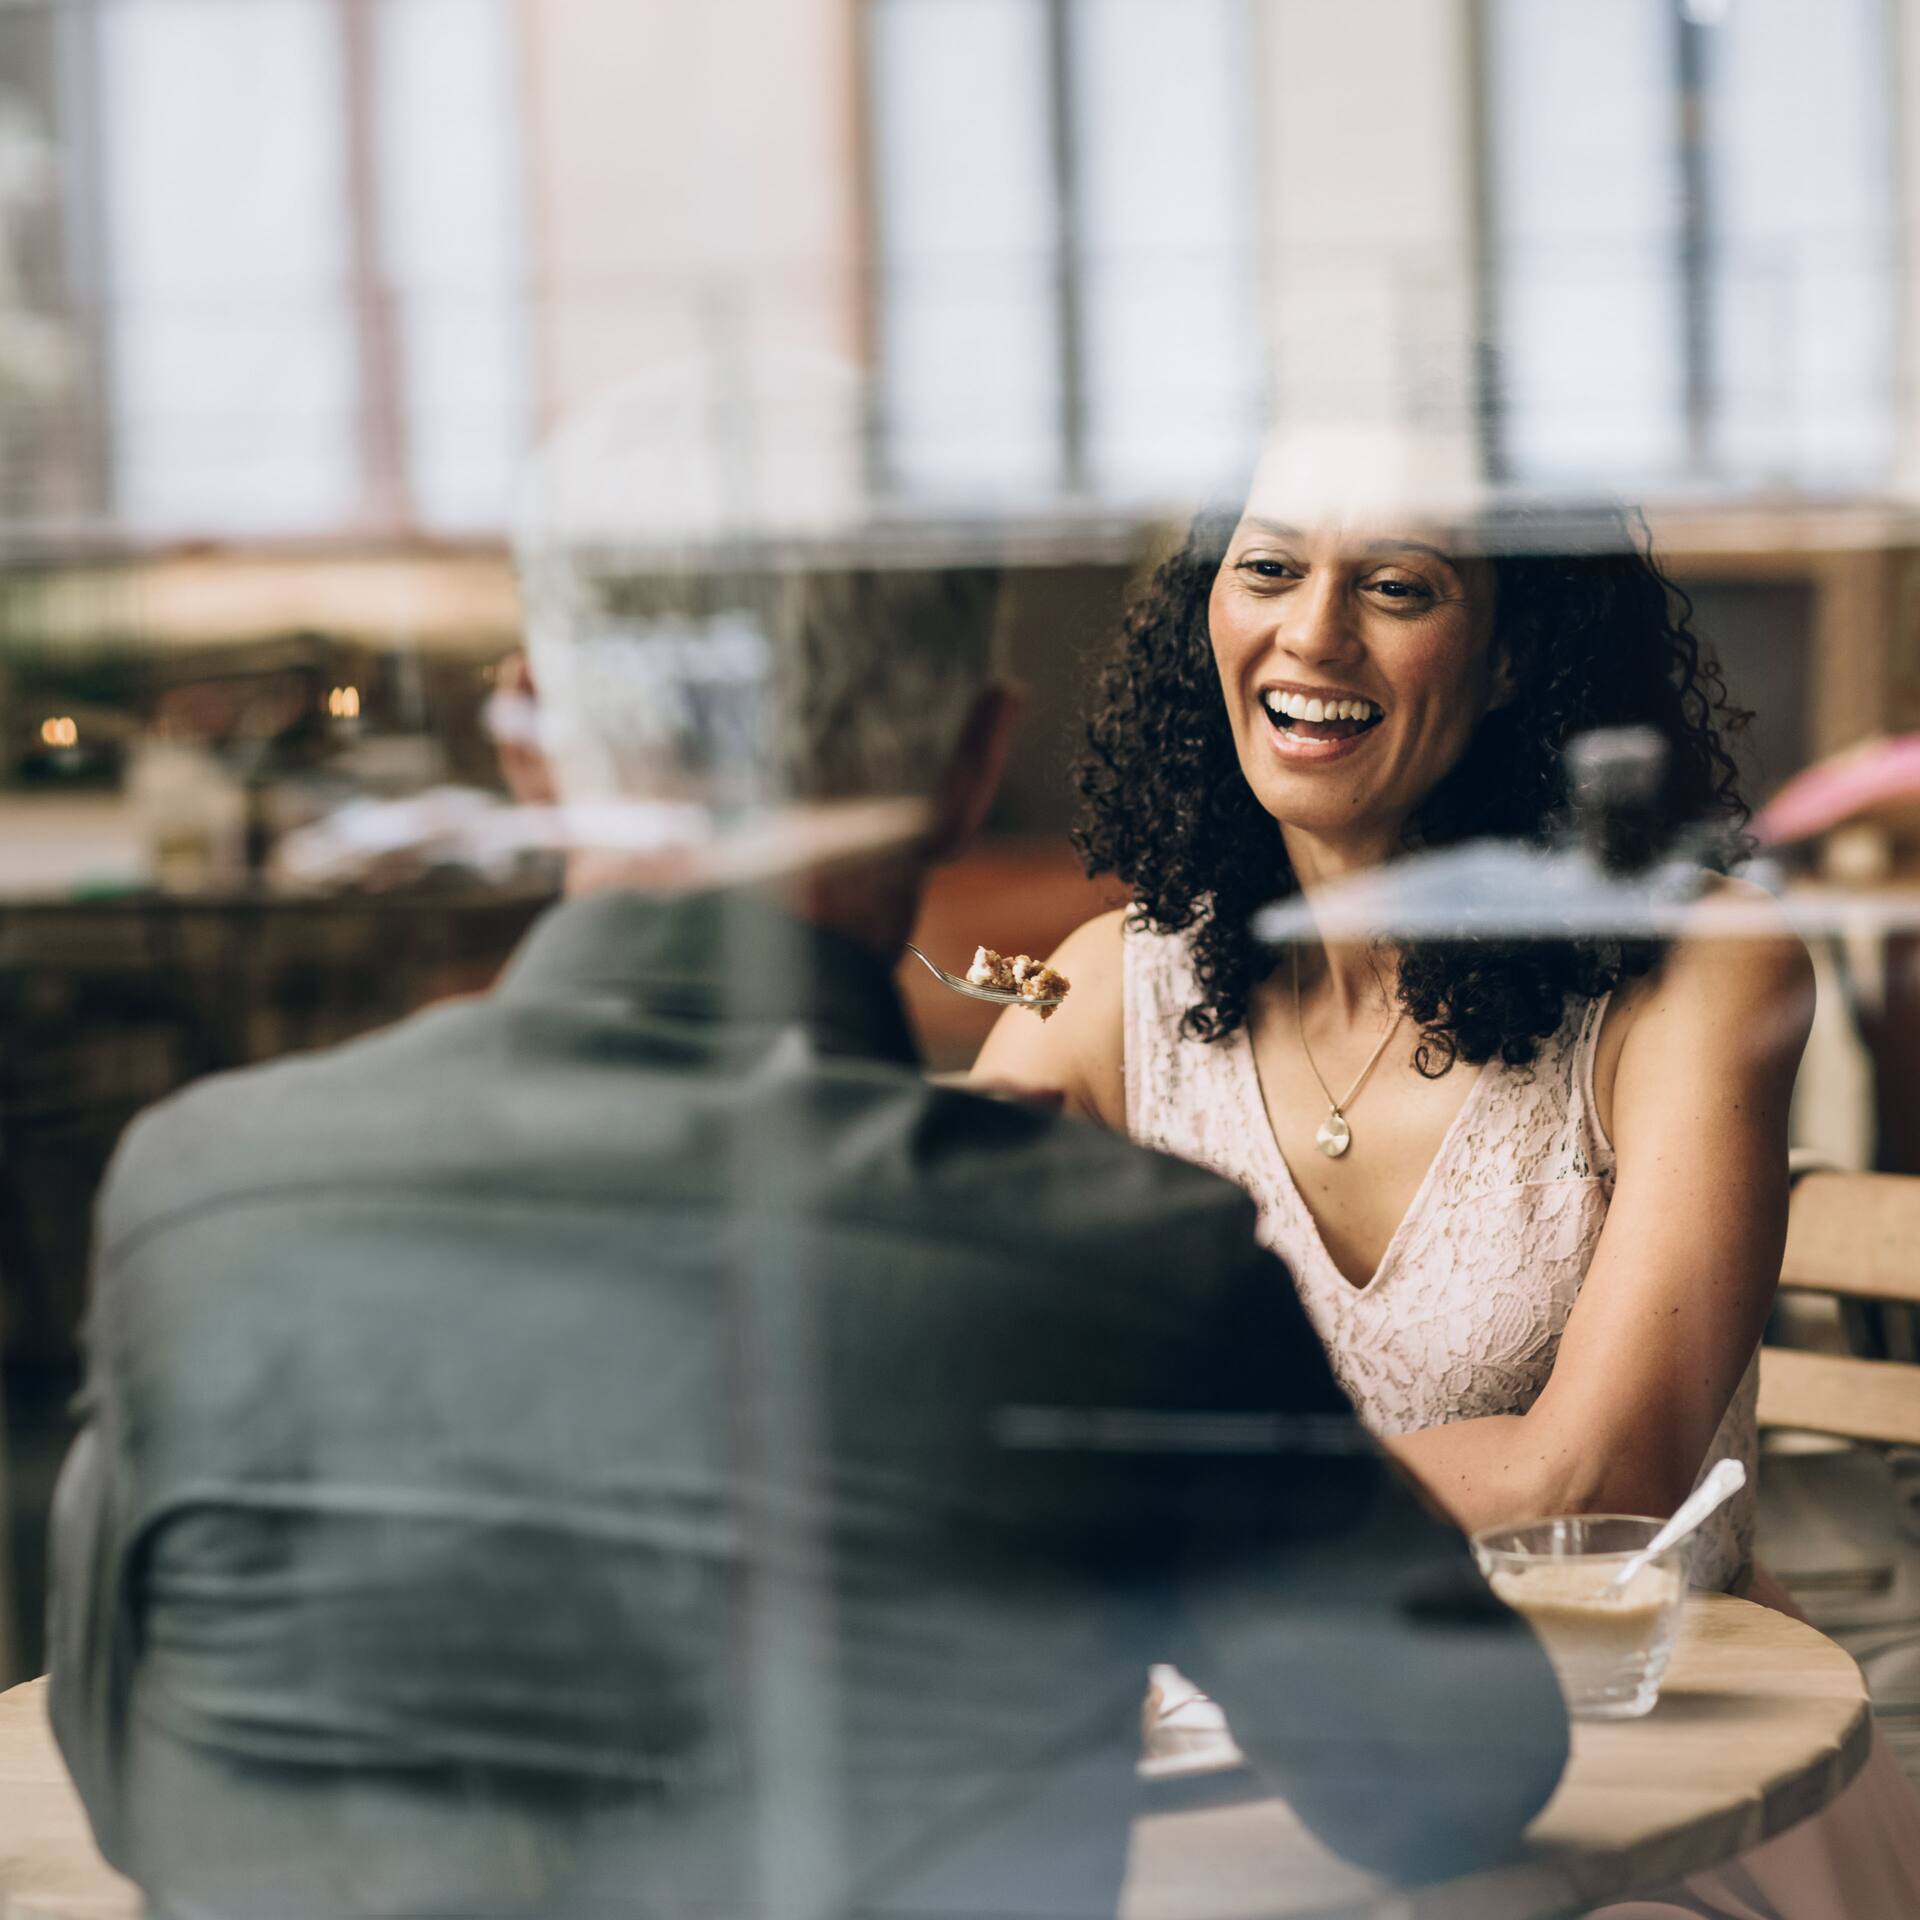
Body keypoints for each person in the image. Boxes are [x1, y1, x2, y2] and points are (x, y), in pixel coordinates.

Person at [47, 535, 1569, 1914]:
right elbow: (1453, 1786)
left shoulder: (197, 1192)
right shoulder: (1122, 1265)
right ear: (974, 763)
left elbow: (132, 1787)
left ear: (525, 740)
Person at [976, 441, 1920, 1914]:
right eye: (1269, 568)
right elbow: (937, 1360)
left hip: (1644, 1774)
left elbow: (1592, 1476)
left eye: (1397, 588)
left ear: (1508, 659)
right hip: (1241, 1751)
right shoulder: (1100, 993)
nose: (1311, 635)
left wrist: (1141, 1505)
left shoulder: (1699, 973)